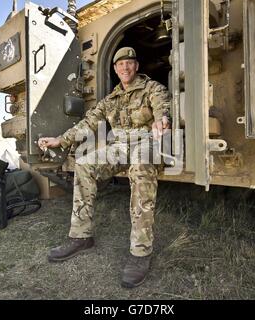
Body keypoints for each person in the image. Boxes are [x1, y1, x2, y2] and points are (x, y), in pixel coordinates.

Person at [38, 47, 171, 288]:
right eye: (120, 65)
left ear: (137, 66)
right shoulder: (110, 100)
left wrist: (163, 120)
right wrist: (61, 140)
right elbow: (88, 124)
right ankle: (81, 236)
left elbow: (162, 105)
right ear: (115, 69)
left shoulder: (152, 88)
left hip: (148, 143)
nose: (125, 68)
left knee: (140, 168)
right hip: (120, 145)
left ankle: (140, 252)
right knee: (84, 164)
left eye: (130, 63)